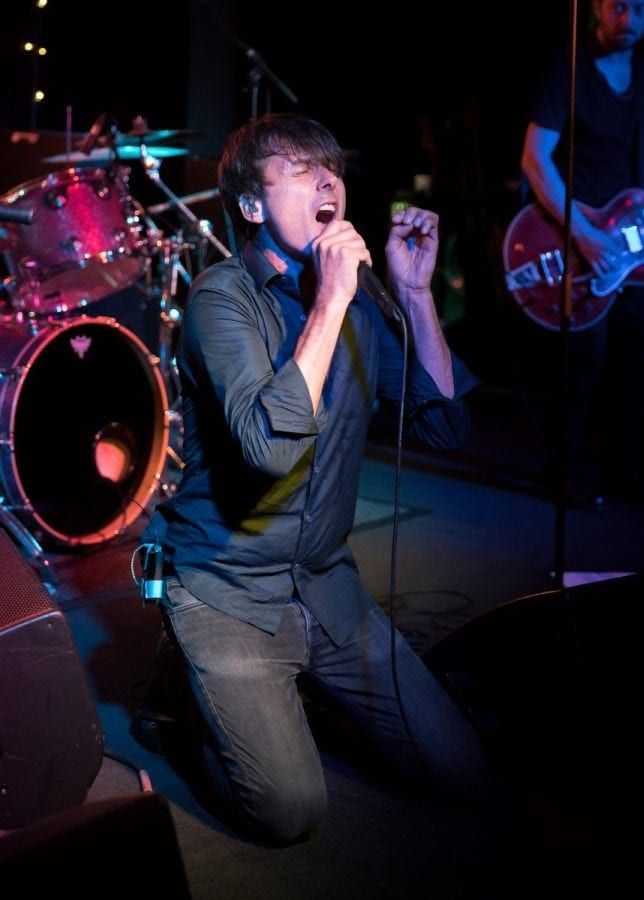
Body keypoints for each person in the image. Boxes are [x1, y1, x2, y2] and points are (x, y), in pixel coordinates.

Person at [134, 112, 489, 843]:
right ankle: (187, 700)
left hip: (325, 583)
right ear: (251, 204)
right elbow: (268, 450)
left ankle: (291, 694)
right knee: (288, 812)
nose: (327, 182)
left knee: (462, 772)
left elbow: (443, 426)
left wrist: (415, 295)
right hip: (227, 588)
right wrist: (329, 300)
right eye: (301, 171)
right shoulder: (221, 299)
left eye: (332, 170)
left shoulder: (361, 299)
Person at [520, 0, 644, 502]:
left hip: (630, 239)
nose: (628, 18)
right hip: (578, 233)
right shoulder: (569, 67)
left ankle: (621, 468)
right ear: (597, 8)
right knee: (585, 356)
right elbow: (535, 159)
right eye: (618, 6)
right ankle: (567, 470)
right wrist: (582, 232)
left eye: (641, 8)